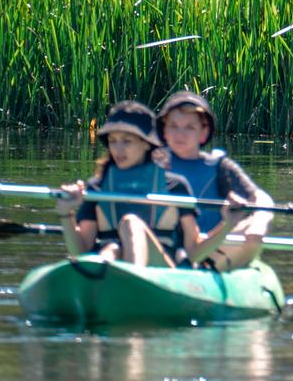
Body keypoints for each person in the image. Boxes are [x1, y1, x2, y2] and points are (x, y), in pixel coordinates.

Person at [58, 101, 203, 268]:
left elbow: (193, 249)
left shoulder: (174, 186)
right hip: (113, 264)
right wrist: (66, 212)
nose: (118, 149)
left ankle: (133, 276)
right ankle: (103, 275)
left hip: (162, 269)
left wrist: (228, 224)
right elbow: (81, 252)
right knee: (112, 249)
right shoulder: (97, 188)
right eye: (113, 141)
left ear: (146, 143)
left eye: (127, 141)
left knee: (130, 223)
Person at [157, 90, 275, 272]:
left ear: (203, 133)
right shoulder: (152, 163)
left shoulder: (220, 168)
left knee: (253, 229)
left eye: (189, 127)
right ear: (164, 130)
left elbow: (261, 198)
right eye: (173, 126)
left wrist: (259, 223)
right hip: (162, 248)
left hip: (210, 249)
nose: (180, 134)